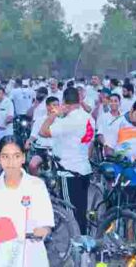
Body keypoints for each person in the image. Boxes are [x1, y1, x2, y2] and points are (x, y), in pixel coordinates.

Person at [0, 137, 54, 267]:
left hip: (30, 256)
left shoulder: (36, 186)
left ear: (23, 158)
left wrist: (43, 230)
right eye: (5, 156)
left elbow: (47, 223)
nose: (11, 162)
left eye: (16, 156)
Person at [39, 87, 95, 234]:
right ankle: (83, 242)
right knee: (81, 211)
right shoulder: (89, 118)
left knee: (71, 215)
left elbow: (43, 132)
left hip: (69, 171)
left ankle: (77, 247)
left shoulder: (69, 121)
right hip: (84, 169)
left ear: (65, 102)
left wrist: (53, 115)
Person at [103, 99, 136, 228]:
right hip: (123, 176)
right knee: (124, 212)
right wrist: (117, 160)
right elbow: (108, 149)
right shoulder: (117, 124)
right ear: (131, 110)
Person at [26, 96, 59, 175]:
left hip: (57, 150)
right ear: (47, 106)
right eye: (54, 105)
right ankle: (36, 183)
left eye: (57, 105)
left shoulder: (61, 120)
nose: (56, 107)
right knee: (32, 165)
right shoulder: (39, 120)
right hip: (42, 149)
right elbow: (33, 135)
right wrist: (28, 142)